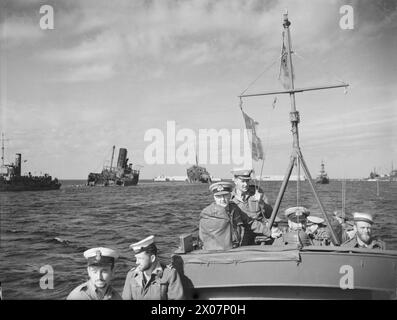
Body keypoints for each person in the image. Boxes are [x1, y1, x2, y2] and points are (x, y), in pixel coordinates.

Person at [199, 181, 281, 250]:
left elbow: (250, 222)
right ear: (214, 197)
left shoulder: (234, 208)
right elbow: (204, 238)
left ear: (230, 196)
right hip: (218, 252)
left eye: (225, 195)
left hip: (235, 249)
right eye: (218, 197)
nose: (222, 199)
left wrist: (269, 232)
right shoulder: (207, 213)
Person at [122, 235, 184, 300]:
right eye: (136, 258)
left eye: (140, 258)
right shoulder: (131, 275)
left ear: (152, 258)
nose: (137, 262)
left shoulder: (169, 275)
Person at [230, 168, 276, 245]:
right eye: (242, 181)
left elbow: (270, 214)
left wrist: (261, 202)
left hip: (261, 230)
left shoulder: (257, 192)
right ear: (235, 180)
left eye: (247, 181)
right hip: (243, 233)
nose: (245, 184)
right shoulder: (230, 198)